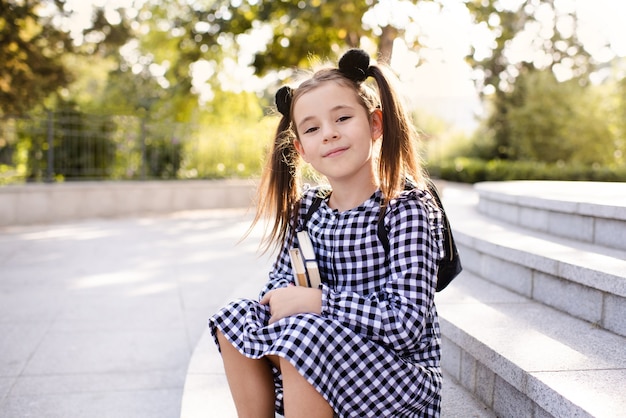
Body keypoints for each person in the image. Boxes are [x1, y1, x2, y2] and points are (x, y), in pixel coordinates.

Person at [209, 48, 444, 418]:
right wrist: (285, 303)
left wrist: (319, 303)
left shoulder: (404, 207)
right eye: (313, 128)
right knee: (234, 320)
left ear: (375, 124)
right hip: (325, 359)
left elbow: (406, 325)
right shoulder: (308, 211)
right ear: (301, 149)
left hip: (398, 382)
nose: (330, 134)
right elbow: (279, 291)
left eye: (343, 118)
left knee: (305, 335)